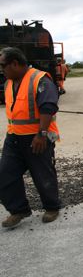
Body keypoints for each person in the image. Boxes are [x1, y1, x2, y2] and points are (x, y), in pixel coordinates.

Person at [0, 47, 61, 228]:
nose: (1, 69)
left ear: (15, 64)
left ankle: (52, 207)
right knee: (5, 174)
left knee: (43, 175)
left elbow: (48, 107)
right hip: (14, 137)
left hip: (37, 137)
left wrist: (41, 134)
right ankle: (18, 210)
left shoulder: (40, 79)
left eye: (3, 65)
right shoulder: (9, 82)